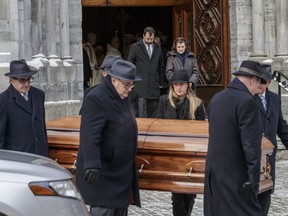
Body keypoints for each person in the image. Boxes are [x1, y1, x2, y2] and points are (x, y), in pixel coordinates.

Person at [204, 60, 271, 216]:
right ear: (252, 80)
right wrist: (254, 179)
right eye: (259, 83)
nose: (258, 89)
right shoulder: (247, 102)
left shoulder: (216, 99)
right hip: (237, 177)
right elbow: (251, 145)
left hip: (214, 174)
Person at [76, 59, 141, 216]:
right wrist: (92, 163)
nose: (130, 89)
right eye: (127, 84)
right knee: (103, 210)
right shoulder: (96, 98)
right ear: (114, 80)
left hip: (120, 172)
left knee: (119, 210)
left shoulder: (122, 95)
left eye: (132, 84)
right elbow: (89, 134)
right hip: (104, 173)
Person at [156, 69, 205, 216]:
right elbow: (158, 125)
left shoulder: (196, 104)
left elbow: (202, 130)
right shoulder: (164, 101)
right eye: (176, 84)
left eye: (181, 84)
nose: (178, 87)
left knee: (190, 194)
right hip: (173, 154)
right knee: (177, 194)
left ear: (188, 85)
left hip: (191, 154)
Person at [255, 66, 288, 216]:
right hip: (253, 157)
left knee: (265, 195)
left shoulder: (275, 98)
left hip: (269, 159)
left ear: (269, 82)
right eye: (257, 80)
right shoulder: (247, 98)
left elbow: (281, 127)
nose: (260, 85)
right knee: (251, 197)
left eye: (263, 81)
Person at [0, 59, 48, 157]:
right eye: (22, 80)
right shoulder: (3, 100)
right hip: (18, 158)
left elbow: (41, 126)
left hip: (40, 155)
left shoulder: (39, 95)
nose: (26, 84)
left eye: (28, 79)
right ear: (12, 80)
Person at [128, 26, 165, 118]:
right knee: (141, 115)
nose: (149, 41)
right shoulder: (135, 47)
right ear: (143, 36)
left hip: (154, 86)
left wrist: (161, 82)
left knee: (153, 115)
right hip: (140, 86)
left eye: (151, 39)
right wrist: (131, 81)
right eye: (148, 38)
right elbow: (130, 65)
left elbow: (161, 66)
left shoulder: (157, 48)